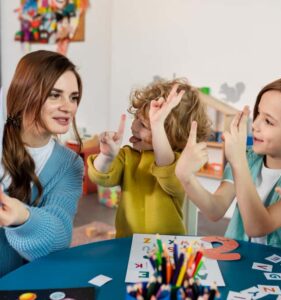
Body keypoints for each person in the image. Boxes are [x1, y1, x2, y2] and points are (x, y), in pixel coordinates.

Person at [176, 76, 281, 252]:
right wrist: (186, 177)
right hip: (243, 260)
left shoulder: (242, 160)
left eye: (268, 121)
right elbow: (215, 210)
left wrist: (237, 161)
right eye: (258, 114)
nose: (255, 125)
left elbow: (257, 227)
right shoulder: (248, 158)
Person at [87, 79, 211, 238]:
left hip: (166, 250)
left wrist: (157, 125)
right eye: (136, 119)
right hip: (126, 245)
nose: (134, 127)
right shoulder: (128, 155)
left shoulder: (181, 165)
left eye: (144, 125)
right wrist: (106, 156)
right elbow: (100, 177)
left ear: (171, 135)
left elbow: (167, 170)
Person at [0, 50, 84, 277]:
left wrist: (23, 218)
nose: (68, 107)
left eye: (73, 97)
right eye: (55, 95)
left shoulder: (70, 164)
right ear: (26, 93)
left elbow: (59, 238)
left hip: (19, 285)